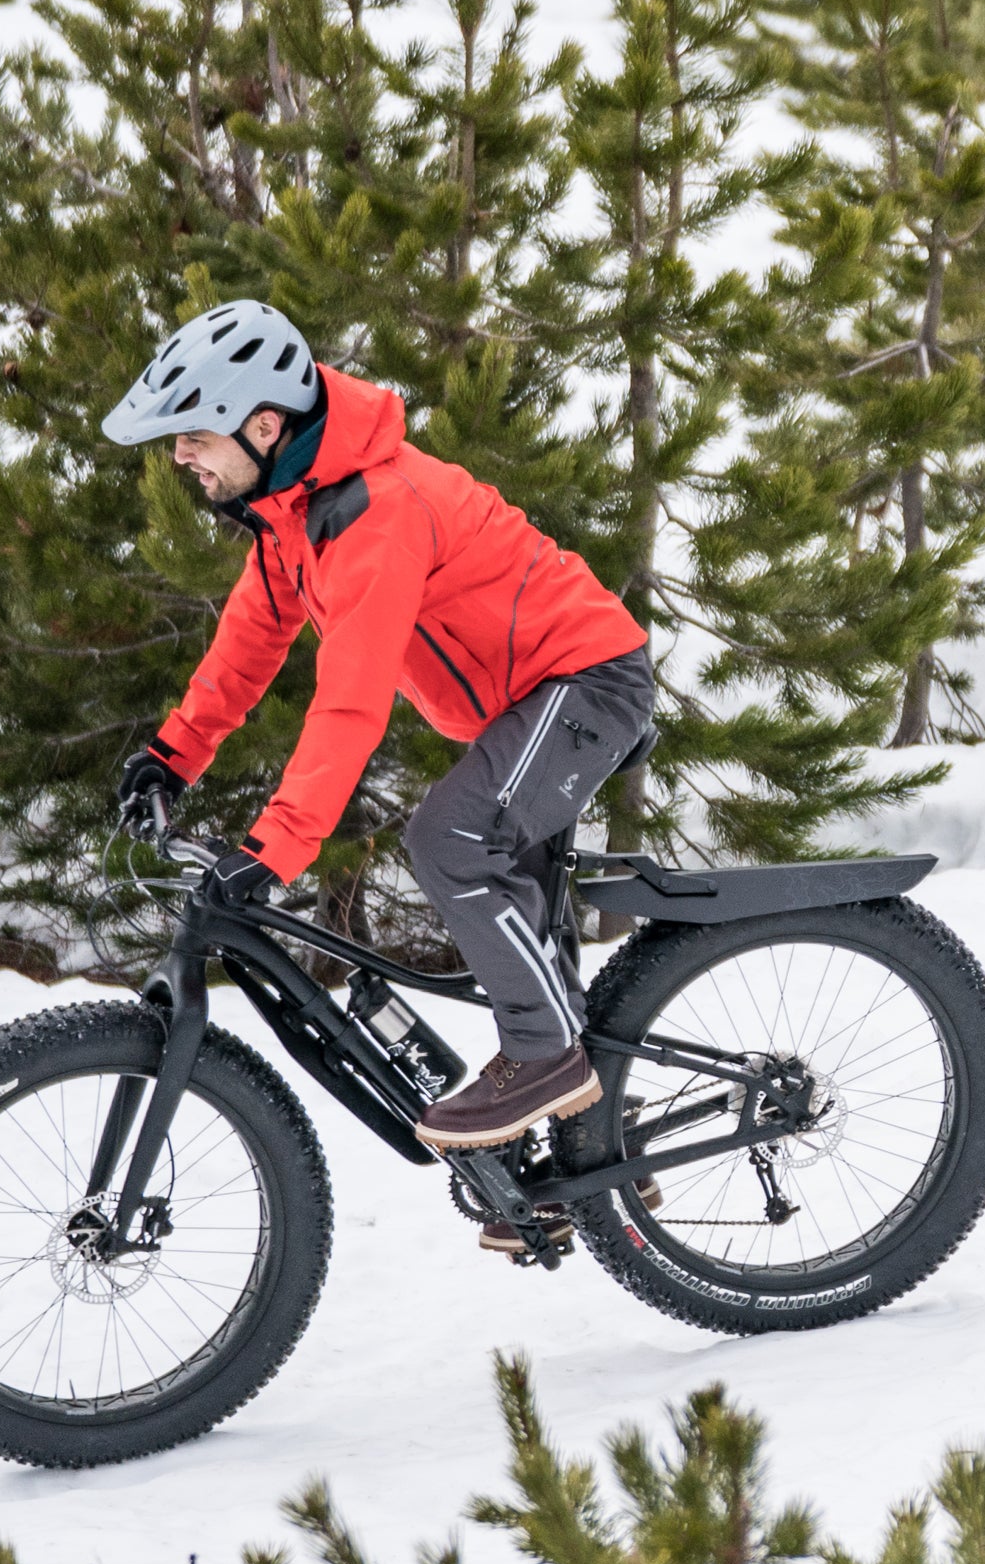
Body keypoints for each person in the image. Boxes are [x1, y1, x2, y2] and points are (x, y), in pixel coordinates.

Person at [101, 300, 658, 1162]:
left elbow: (351, 701)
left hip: (585, 681)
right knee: (524, 925)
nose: (180, 456)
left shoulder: (377, 512)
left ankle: (545, 1057)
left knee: (451, 838)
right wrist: (171, 758)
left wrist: (276, 847)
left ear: (264, 425)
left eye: (194, 436)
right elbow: (247, 646)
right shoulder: (293, 512)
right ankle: (585, 1169)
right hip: (524, 706)